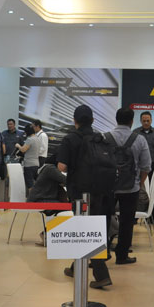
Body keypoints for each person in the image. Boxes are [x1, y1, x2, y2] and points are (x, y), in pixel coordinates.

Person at [56, 105, 113, 289]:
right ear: (92, 120)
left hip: (80, 191)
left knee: (85, 230)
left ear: (75, 121)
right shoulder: (100, 138)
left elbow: (62, 167)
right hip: (101, 190)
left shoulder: (70, 139)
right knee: (90, 228)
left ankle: (102, 274)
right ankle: (76, 267)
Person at [105, 107, 151, 265]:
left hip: (108, 187)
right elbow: (146, 167)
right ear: (132, 121)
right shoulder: (139, 140)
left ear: (116, 119)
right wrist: (139, 183)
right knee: (127, 221)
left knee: (104, 219)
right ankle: (122, 255)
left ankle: (101, 254)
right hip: (131, 187)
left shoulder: (105, 138)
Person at [134, 111, 154, 224]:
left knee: (153, 191)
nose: (146, 123)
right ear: (140, 121)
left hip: (152, 165)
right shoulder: (135, 133)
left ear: (151, 120)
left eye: (148, 120)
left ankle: (151, 217)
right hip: (138, 167)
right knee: (138, 190)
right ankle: (135, 217)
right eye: (144, 121)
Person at [28, 155, 69, 246]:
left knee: (65, 208)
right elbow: (66, 180)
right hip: (39, 200)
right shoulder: (51, 169)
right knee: (66, 209)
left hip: (42, 198)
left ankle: (48, 233)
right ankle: (46, 233)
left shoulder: (48, 168)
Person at [15, 124, 41, 193]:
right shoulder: (37, 139)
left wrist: (18, 146)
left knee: (30, 185)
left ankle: (31, 198)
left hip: (29, 164)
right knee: (34, 183)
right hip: (36, 164)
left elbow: (23, 150)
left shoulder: (30, 139)